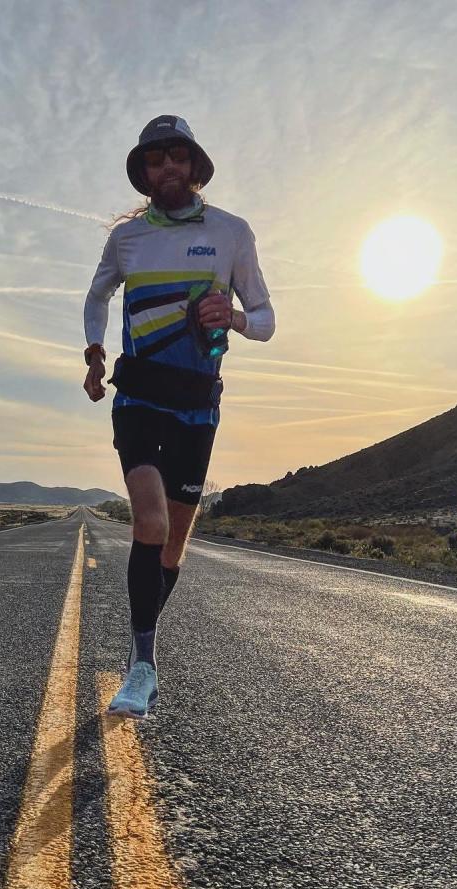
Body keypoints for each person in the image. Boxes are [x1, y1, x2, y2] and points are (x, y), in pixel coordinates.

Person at [82, 115, 275, 720]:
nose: (167, 167)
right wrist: (94, 351)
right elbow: (96, 297)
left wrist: (234, 317)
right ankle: (144, 664)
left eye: (177, 156)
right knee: (151, 521)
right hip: (137, 393)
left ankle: (142, 646)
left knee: (172, 547)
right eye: (155, 158)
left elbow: (266, 319)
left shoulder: (232, 233)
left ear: (194, 166)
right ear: (143, 172)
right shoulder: (126, 240)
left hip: (198, 400)